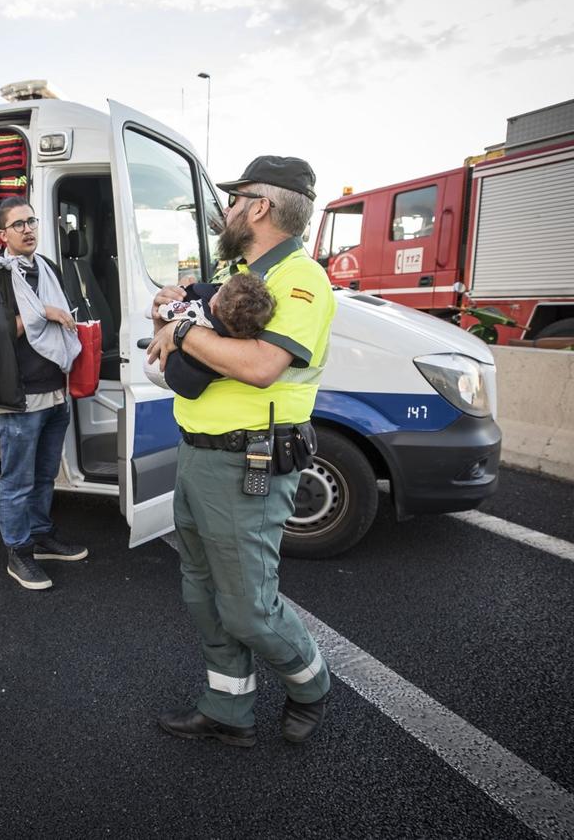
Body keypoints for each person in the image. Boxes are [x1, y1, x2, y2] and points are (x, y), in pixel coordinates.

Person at [145, 156, 336, 746]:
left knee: (249, 608)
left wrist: (181, 331)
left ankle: (311, 685)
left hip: (247, 465)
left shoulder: (300, 279)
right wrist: (181, 300)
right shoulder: (239, 272)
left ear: (260, 207)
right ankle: (228, 709)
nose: (225, 210)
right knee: (201, 593)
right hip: (200, 455)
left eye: (233, 200)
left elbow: (259, 367)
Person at [0, 197, 86, 592]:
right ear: (3, 235)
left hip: (55, 393)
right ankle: (18, 551)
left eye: (31, 221)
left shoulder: (47, 268)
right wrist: (40, 313)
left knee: (45, 475)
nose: (28, 229)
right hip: (19, 399)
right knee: (17, 481)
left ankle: (41, 535)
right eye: (18, 224)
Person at [143, 272, 275, 394]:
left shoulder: (196, 312)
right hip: (193, 385)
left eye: (218, 291)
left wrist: (178, 291)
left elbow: (160, 311)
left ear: (214, 306)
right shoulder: (239, 333)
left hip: (160, 369)